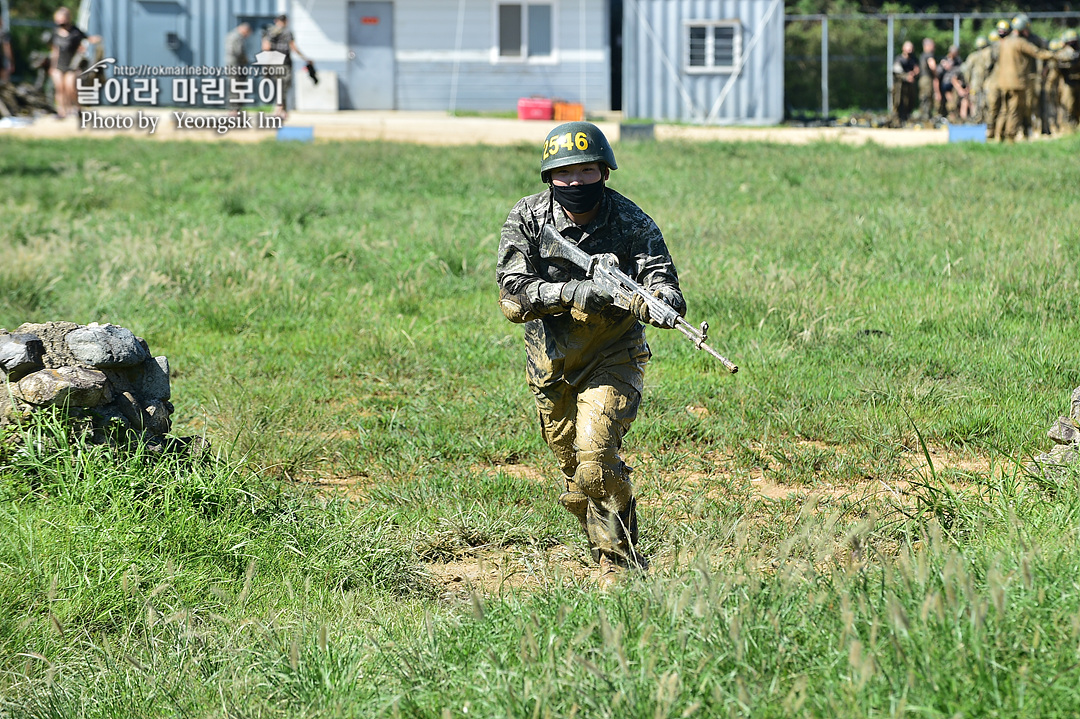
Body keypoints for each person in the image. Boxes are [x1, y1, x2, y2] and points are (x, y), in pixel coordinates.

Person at [496, 121, 686, 588]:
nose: (576, 182)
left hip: (613, 356)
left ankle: (618, 564)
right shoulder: (528, 219)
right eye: (565, 173)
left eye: (586, 170)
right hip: (552, 366)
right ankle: (605, 541)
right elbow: (512, 297)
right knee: (576, 476)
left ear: (604, 171)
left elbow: (666, 284)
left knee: (596, 457)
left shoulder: (630, 221)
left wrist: (653, 302)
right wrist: (575, 292)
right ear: (549, 177)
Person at [995, 19, 1058, 142]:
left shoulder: (1004, 42)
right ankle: (1010, 138)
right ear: (1023, 29)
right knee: (1015, 110)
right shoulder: (1021, 42)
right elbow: (1037, 53)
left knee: (1004, 110)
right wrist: (1055, 55)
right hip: (1017, 83)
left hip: (1002, 82)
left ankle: (998, 136)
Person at [48, 6, 100, 119]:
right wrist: (52, 66)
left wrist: (96, 40)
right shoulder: (55, 33)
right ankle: (62, 111)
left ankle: (78, 109)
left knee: (70, 88)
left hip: (72, 65)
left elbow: (87, 40)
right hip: (58, 65)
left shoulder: (75, 32)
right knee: (59, 88)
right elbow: (54, 51)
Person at [261, 14, 308, 119]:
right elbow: (293, 47)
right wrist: (305, 58)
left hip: (273, 63)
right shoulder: (287, 32)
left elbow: (265, 48)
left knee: (279, 87)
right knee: (283, 87)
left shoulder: (269, 32)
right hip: (284, 63)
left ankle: (282, 111)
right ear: (286, 21)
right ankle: (279, 109)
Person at [224, 22, 251, 113]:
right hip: (236, 65)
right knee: (236, 87)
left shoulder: (230, 35)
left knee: (233, 87)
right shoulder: (237, 37)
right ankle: (235, 110)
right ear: (244, 30)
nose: (247, 35)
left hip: (231, 65)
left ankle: (233, 109)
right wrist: (245, 60)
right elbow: (238, 52)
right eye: (247, 33)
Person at [890, 40, 919, 125]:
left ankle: (906, 119)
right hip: (899, 86)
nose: (910, 49)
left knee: (909, 102)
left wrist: (914, 73)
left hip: (909, 86)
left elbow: (917, 69)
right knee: (898, 102)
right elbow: (896, 72)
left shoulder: (913, 59)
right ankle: (896, 121)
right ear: (903, 48)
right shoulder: (899, 59)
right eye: (908, 47)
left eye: (911, 48)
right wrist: (907, 76)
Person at [917, 38, 940, 121]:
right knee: (927, 97)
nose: (934, 48)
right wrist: (936, 73)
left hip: (922, 79)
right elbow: (932, 66)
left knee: (923, 97)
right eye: (933, 46)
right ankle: (926, 117)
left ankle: (924, 115)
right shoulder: (929, 55)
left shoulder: (922, 55)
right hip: (927, 79)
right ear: (928, 46)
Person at [0, 17, 14, 84]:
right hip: (2, 60)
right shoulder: (4, 34)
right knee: (4, 82)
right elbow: (7, 48)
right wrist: (11, 61)